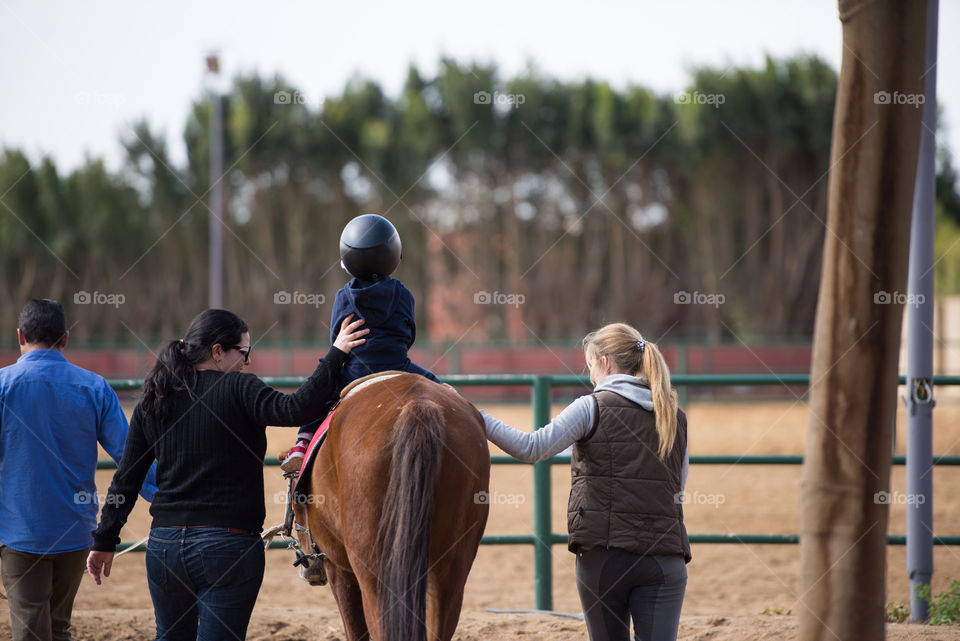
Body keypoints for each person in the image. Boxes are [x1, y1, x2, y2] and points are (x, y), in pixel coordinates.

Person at [85, 309, 367, 641]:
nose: (247, 361)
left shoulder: (157, 393)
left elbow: (127, 478)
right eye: (243, 353)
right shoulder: (239, 387)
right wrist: (336, 355)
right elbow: (296, 409)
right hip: (227, 547)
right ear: (218, 351)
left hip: (164, 547)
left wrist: (104, 539)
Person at [482, 323, 690, 641]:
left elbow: (531, 447)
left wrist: (475, 415)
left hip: (605, 559)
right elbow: (678, 488)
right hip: (665, 560)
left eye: (590, 364)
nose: (590, 373)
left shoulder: (590, 406)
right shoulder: (674, 415)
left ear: (605, 362)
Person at [0, 298, 158, 641]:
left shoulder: (3, 385)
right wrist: (167, 498)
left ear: (20, 335)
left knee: (29, 627)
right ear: (66, 339)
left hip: (18, 532)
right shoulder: (94, 386)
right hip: (76, 532)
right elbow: (131, 456)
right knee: (59, 626)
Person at [281, 214, 438, 470]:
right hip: (399, 367)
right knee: (447, 394)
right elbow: (410, 335)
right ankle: (501, 435)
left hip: (353, 373)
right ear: (394, 254)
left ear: (348, 259)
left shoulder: (343, 296)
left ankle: (302, 442)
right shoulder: (404, 294)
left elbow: (336, 338)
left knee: (320, 397)